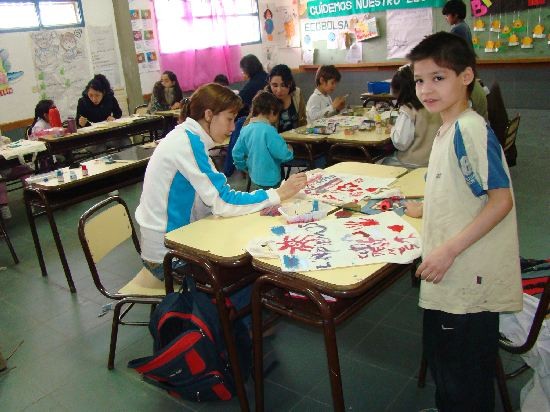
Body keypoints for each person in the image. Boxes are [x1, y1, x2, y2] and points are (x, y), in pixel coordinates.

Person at [405, 32, 522, 411]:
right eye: (419, 79)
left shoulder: (469, 128)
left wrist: (447, 251)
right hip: (451, 272)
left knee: (464, 376)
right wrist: (428, 208)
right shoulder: (446, 128)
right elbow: (464, 189)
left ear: (467, 76)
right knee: (446, 364)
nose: (426, 89)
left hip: (465, 277)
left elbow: (500, 200)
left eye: (439, 77)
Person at [135, 83, 307, 283]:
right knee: (250, 270)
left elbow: (212, 198)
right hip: (168, 257)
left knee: (243, 238)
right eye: (229, 119)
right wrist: (277, 194)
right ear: (209, 115)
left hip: (173, 241)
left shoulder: (187, 137)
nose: (233, 127)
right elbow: (222, 200)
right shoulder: (187, 144)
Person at [381, 65, 441, 168]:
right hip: (434, 161)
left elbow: (401, 143)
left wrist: (393, 129)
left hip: (412, 163)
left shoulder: (408, 109)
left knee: (381, 162)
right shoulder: (436, 104)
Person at [232, 91, 294, 190]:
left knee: (260, 202)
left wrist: (243, 166)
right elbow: (282, 154)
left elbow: (236, 153)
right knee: (275, 203)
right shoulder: (269, 131)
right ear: (272, 111)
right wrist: (290, 150)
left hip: (254, 177)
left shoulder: (246, 129)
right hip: (271, 180)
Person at [76, 74, 127, 152]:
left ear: (103, 93)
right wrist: (81, 123)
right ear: (87, 93)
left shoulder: (109, 98)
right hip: (93, 137)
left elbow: (118, 112)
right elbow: (78, 121)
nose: (94, 99)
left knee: (125, 142)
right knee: (99, 148)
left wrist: (113, 118)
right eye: (91, 95)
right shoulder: (83, 102)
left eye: (97, 95)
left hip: (109, 134)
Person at [265, 64, 306, 133]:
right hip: (274, 141)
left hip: (297, 140)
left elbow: (303, 120)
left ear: (290, 83)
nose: (279, 90)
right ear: (269, 83)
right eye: (274, 85)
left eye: (283, 85)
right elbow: (250, 122)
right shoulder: (264, 97)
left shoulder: (297, 94)